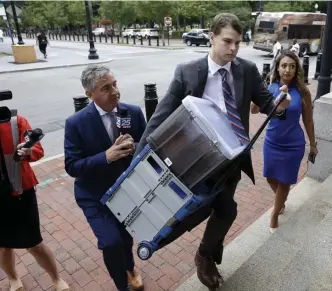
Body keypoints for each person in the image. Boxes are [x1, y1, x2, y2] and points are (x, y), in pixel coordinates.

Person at [134, 13, 291, 290]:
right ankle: (194, 251)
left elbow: (268, 103)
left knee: (226, 209)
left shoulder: (246, 70)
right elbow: (161, 115)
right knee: (198, 209)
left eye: (238, 43)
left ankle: (205, 255)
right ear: (212, 37)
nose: (233, 49)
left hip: (231, 159)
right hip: (195, 159)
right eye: (227, 41)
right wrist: (139, 158)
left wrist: (280, 105)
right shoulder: (188, 72)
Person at [64, 65, 146, 291]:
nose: (115, 91)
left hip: (125, 190)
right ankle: (122, 286)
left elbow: (148, 148)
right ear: (90, 94)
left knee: (126, 238)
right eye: (106, 88)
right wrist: (106, 157)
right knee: (111, 242)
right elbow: (72, 166)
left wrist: (135, 146)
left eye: (115, 84)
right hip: (94, 195)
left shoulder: (132, 113)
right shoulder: (76, 123)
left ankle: (130, 268)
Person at [0, 112, 69, 291]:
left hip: (21, 190)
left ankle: (56, 278)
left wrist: (28, 151)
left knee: (34, 243)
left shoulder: (15, 121)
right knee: (3, 246)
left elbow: (38, 150)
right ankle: (13, 278)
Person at [252, 51, 318, 233]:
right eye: (284, 65)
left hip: (293, 145)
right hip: (272, 142)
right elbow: (254, 110)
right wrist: (258, 90)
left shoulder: (302, 92)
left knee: (284, 181)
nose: (287, 69)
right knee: (270, 177)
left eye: (292, 66)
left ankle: (275, 213)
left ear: (296, 70)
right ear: (278, 68)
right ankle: (281, 200)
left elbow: (308, 120)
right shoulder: (271, 87)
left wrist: (313, 144)